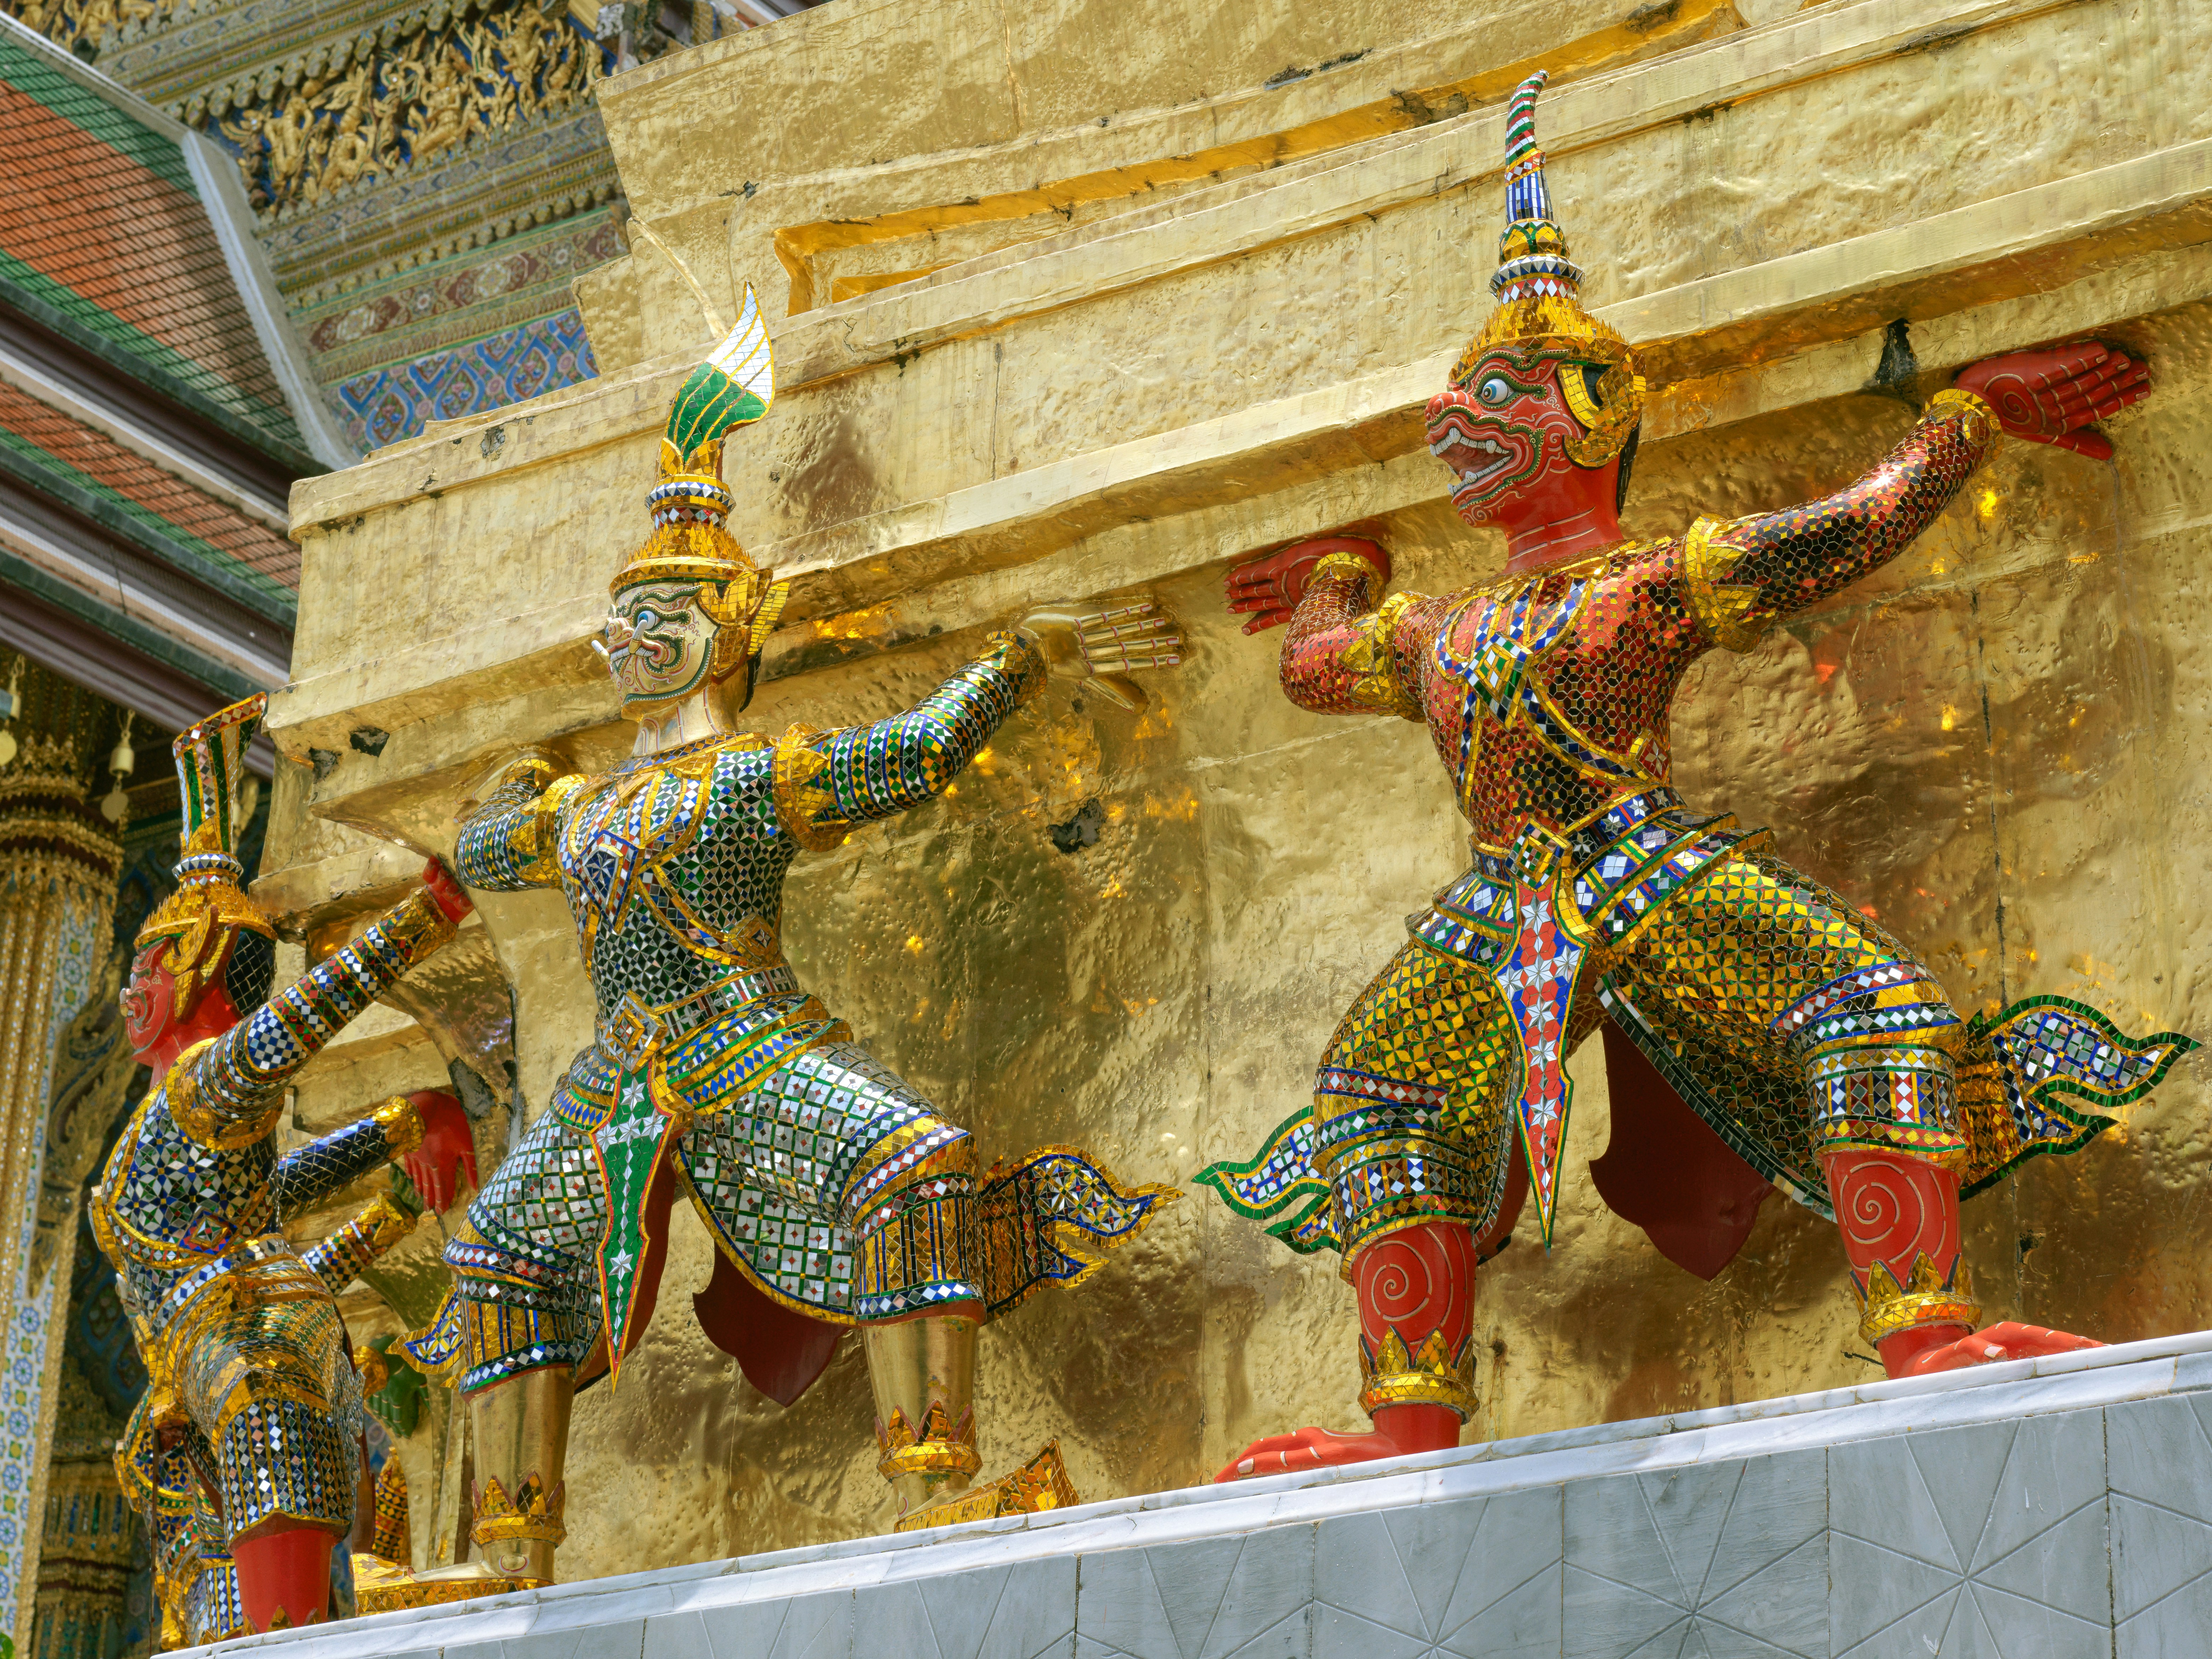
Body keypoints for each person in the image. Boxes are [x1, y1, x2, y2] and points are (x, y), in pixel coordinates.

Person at [1200, 71, 2190, 1480]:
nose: (1451, 420)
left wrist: (1969, 417)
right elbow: (1312, 667)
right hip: (1505, 898)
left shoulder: (1651, 582)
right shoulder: (1439, 631)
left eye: (1494, 396)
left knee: (1872, 1009)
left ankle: (1923, 1331)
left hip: (1637, 855)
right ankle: (1405, 1424)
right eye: (1458, 399)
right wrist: (1341, 572)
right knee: (1379, 1099)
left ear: (1590, 414)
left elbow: (1848, 529)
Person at [407, 285, 1181, 1579]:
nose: (623, 641)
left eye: (657, 622)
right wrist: (511, 785)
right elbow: (481, 850)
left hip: (751, 1047)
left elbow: (912, 756)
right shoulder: (579, 805)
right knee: (497, 1255)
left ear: (722, 636)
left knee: (915, 1164)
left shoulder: (753, 776)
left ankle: (931, 1481)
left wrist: (1020, 659)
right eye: (620, 623)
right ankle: (509, 1555)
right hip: (618, 1072)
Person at [92, 693, 479, 1630]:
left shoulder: (204, 1078)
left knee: (282, 1572)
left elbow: (302, 1020)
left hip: (253, 1345)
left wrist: (430, 910)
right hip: (221, 1341)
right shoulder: (177, 1110)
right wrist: (401, 1125)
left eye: (144, 974)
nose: (129, 995)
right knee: (247, 1594)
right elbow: (265, 1197)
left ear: (193, 969)